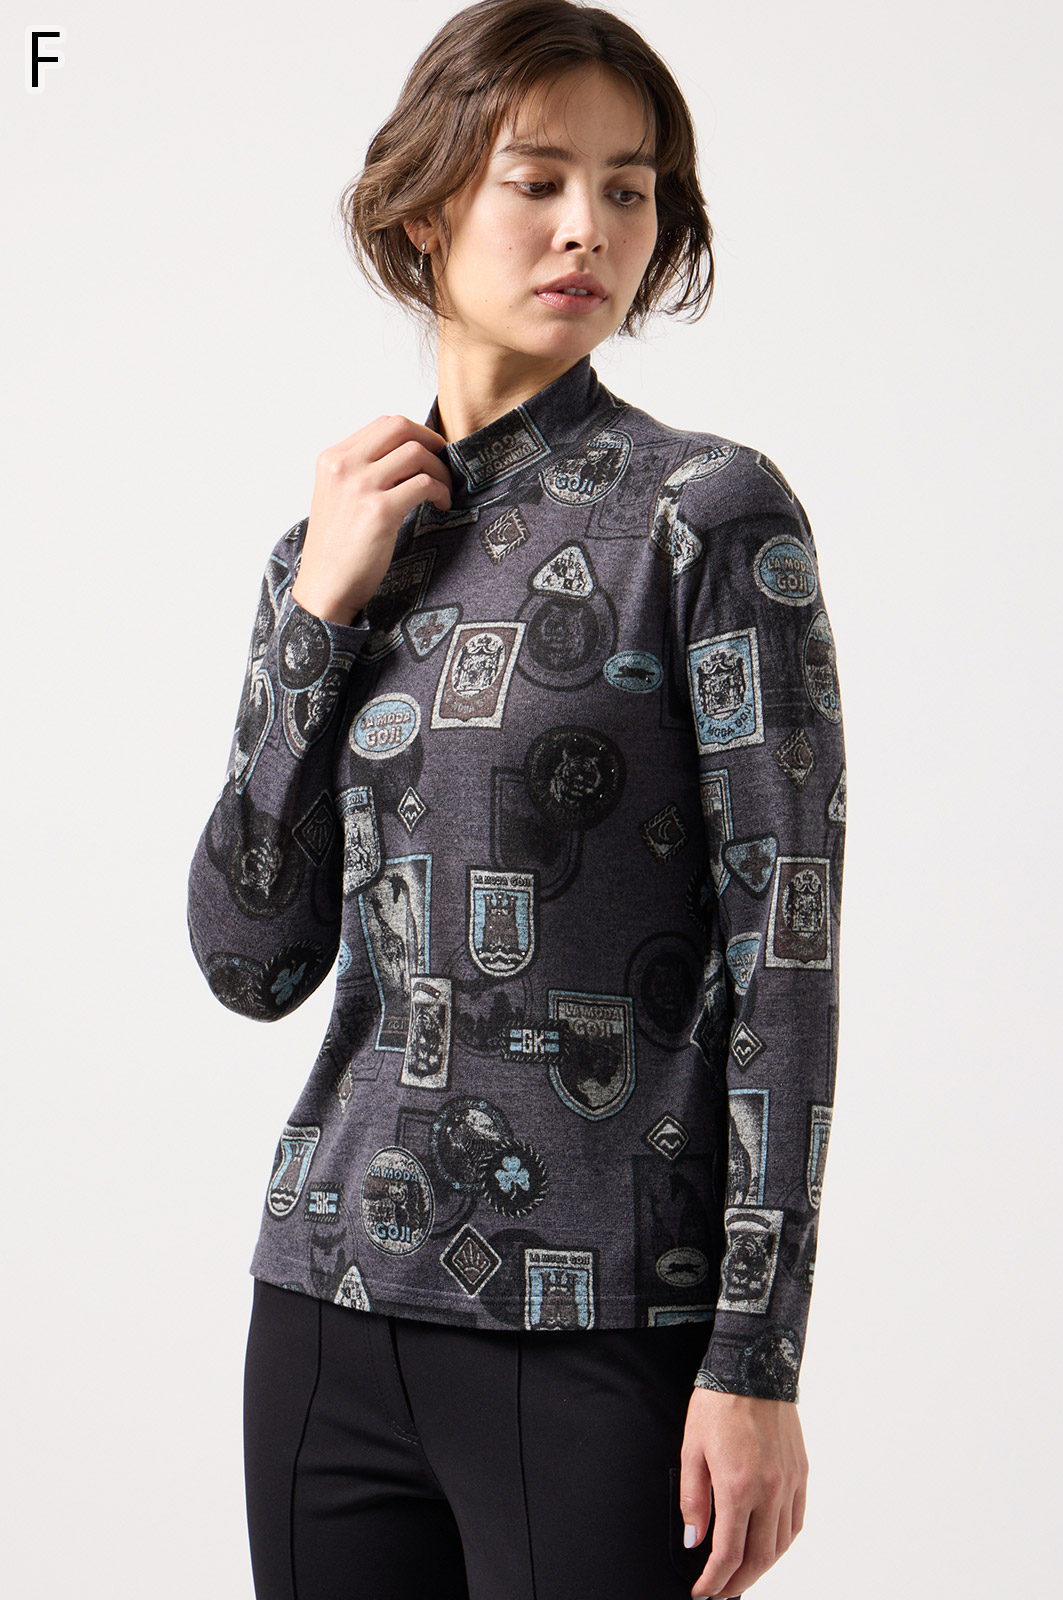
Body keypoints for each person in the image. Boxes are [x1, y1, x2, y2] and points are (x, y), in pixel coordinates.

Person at [185, 3, 845, 1596]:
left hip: (600, 1328)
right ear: (426, 208)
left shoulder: (704, 515)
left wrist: (755, 1358)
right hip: (327, 1306)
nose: (587, 229)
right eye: (537, 179)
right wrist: (316, 619)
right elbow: (250, 962)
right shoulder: (330, 546)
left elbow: (788, 950)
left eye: (629, 189)